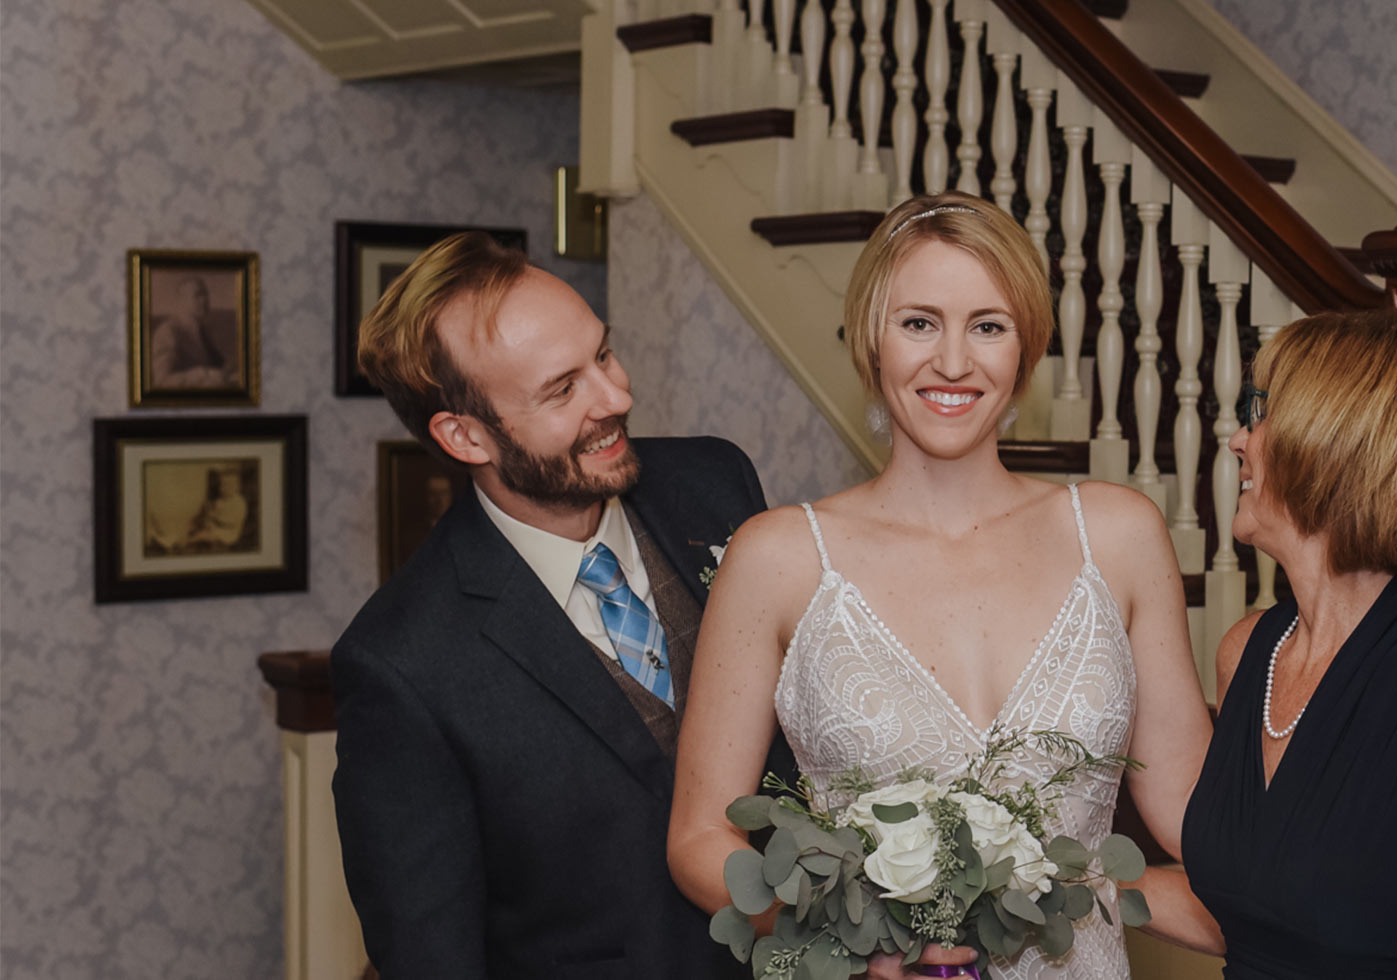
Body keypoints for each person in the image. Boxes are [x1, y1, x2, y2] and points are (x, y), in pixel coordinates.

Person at [667, 192, 1220, 979]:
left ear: (1025, 346)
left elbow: (1202, 822)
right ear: (871, 339)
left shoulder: (1119, 536)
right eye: (919, 322)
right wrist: (842, 939)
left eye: (988, 326)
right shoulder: (780, 557)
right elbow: (698, 836)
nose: (953, 362)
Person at [331, 231, 790, 978]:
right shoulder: (402, 663)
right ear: (464, 435)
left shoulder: (718, 486)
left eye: (602, 356)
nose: (617, 398)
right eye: (562, 389)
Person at [1182, 309, 1397, 978]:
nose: (1237, 441)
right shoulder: (1248, 649)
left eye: (1260, 414)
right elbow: (1251, 916)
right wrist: (1041, 882)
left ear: (1339, 445)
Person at [149, 274, 238, 389]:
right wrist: (203, 374)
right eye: (198, 295)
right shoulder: (168, 332)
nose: (205, 300)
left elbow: (219, 367)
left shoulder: (204, 331)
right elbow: (161, 381)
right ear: (182, 301)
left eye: (206, 294)